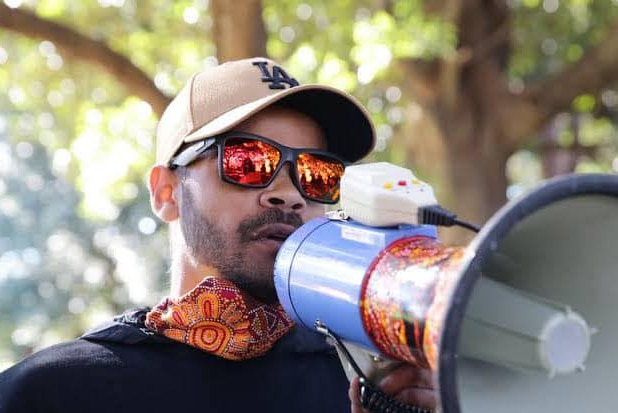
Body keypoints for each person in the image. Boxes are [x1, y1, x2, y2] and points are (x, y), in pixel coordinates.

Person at [0, 57, 436, 413]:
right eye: (248, 160)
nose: (288, 195)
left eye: (315, 174)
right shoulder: (51, 392)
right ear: (166, 192)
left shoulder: (370, 388)